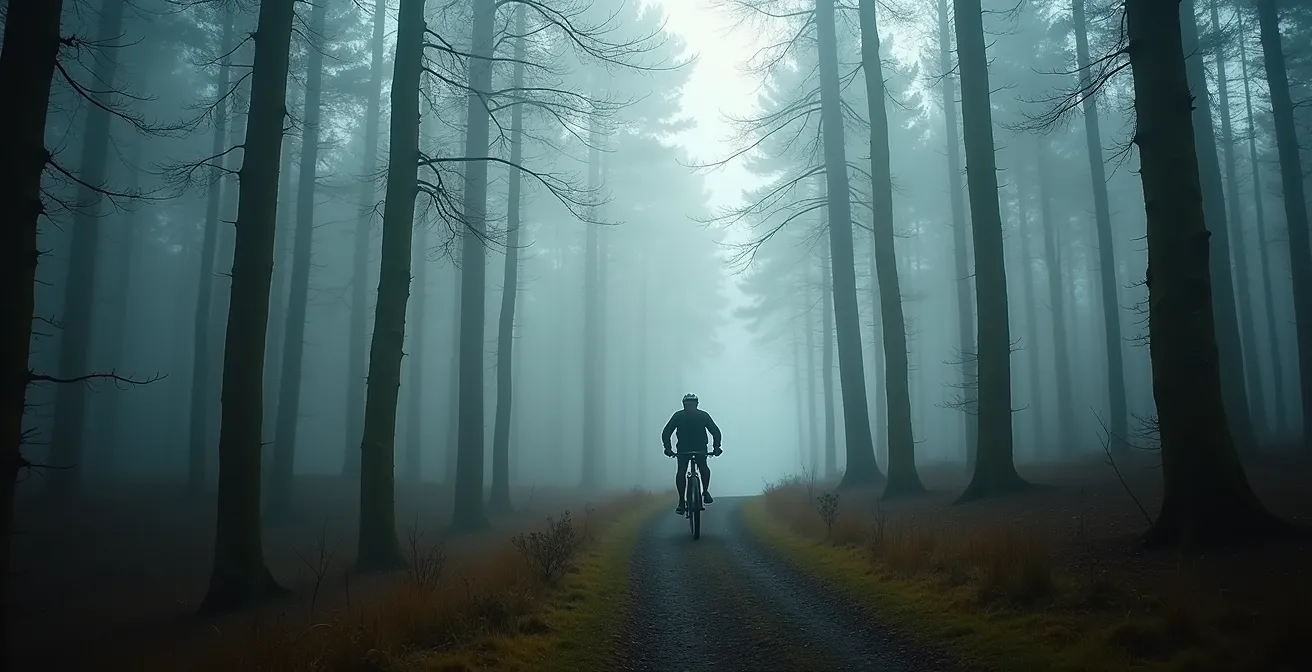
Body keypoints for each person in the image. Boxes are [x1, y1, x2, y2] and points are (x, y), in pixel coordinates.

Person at [661, 393, 723, 514]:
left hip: (684, 450)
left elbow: (666, 432)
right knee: (702, 468)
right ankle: (701, 493)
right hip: (698, 449)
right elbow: (715, 432)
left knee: (682, 472)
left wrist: (668, 449)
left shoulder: (679, 416)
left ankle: (685, 500)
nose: (690, 407)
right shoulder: (702, 415)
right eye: (688, 405)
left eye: (691, 405)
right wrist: (716, 448)